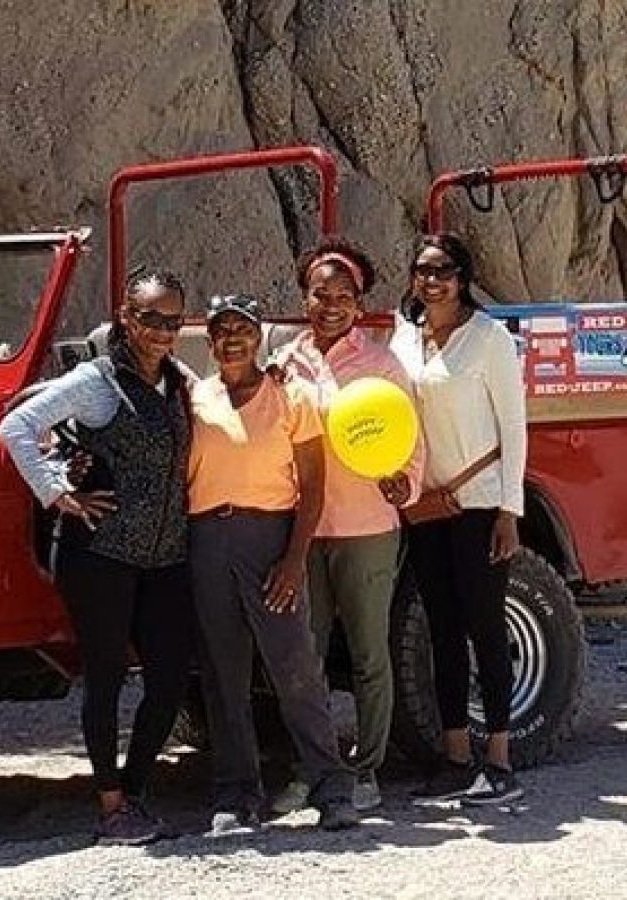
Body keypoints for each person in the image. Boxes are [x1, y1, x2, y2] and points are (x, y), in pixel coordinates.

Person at [0, 269, 195, 844]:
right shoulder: (96, 382)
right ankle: (112, 807)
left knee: (170, 675)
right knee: (106, 677)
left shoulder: (177, 382)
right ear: (126, 318)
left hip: (163, 555)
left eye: (172, 321)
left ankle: (133, 791)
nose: (162, 331)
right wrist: (59, 490)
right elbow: (18, 425)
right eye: (151, 319)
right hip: (100, 555)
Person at [188, 293, 358, 835]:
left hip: (270, 540)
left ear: (258, 336)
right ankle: (237, 796)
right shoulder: (195, 399)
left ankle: (331, 789)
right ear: (210, 342)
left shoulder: (292, 395)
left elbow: (313, 486)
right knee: (223, 672)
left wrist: (293, 560)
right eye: (221, 330)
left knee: (295, 669)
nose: (232, 339)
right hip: (208, 539)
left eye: (242, 328)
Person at [270, 239, 425, 814]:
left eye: (344, 295)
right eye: (321, 293)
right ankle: (310, 768)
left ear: (360, 303)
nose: (331, 304)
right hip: (302, 532)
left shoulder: (383, 364)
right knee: (302, 656)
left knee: (368, 654)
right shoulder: (285, 363)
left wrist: (403, 484)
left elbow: (410, 442)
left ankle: (365, 771)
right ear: (304, 297)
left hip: (366, 529)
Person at [390, 233, 527, 805]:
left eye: (444, 269)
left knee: (485, 627)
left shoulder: (490, 339)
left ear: (463, 276)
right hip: (427, 504)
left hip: (477, 503)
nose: (432, 279)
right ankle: (454, 755)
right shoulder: (404, 338)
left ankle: (498, 756)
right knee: (441, 629)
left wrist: (509, 511)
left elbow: (514, 426)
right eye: (423, 270)